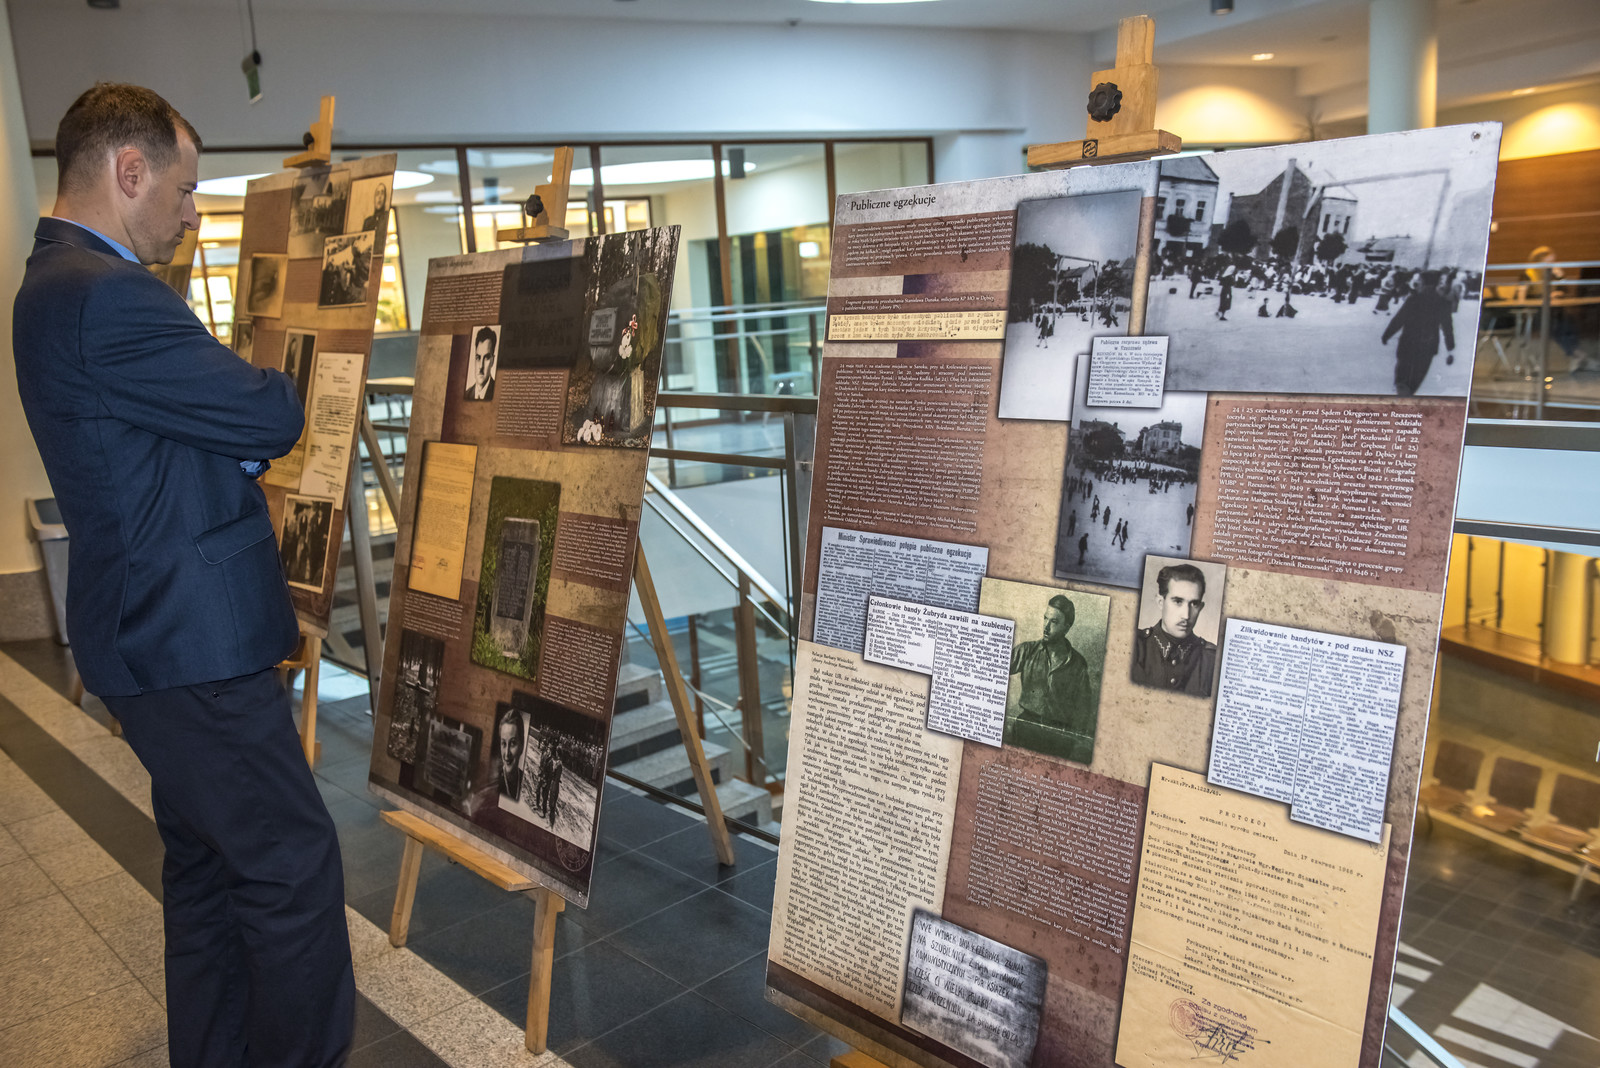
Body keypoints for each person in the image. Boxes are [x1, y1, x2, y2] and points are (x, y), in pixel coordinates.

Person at [12, 84, 355, 1068]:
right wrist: (252, 398)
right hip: (190, 644)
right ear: (130, 173)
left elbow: (166, 438)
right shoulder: (106, 293)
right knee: (290, 870)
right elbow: (270, 412)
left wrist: (219, 421)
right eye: (187, 188)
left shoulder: (52, 285)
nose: (194, 212)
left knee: (207, 873)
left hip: (151, 636)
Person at [1006, 595, 1096, 763]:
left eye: (1054, 622)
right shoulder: (1027, 651)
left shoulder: (1077, 664)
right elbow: (992, 667)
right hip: (1025, 730)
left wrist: (1073, 742)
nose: (1046, 627)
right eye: (1045, 618)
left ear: (1066, 627)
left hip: (1058, 739)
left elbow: (1083, 709)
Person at [1130, 563, 1218, 697]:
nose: (1186, 615)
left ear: (1200, 607)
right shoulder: (1134, 645)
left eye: (1194, 604)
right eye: (1178, 601)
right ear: (1161, 602)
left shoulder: (1212, 659)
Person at [1382, 269, 1456, 396]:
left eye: (1420, 280)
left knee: (1402, 374)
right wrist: (1450, 348)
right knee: (1418, 375)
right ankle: (1408, 393)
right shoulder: (1443, 303)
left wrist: (1387, 335)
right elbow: (1447, 328)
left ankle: (1401, 390)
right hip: (1428, 344)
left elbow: (1399, 319)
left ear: (1423, 282)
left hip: (1408, 341)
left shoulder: (1413, 299)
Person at [496, 707, 525, 799]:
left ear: (522, 746)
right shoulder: (494, 782)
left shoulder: (524, 780)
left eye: (512, 743)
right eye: (504, 744)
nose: (507, 753)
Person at [466, 324, 498, 400]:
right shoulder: (467, 394)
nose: (481, 366)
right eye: (478, 358)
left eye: (486, 358)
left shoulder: (498, 392)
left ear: (492, 360)